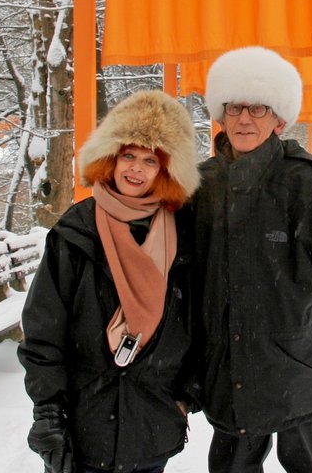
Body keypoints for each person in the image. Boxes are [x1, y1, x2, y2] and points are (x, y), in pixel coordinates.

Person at [193, 46, 312, 473]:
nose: (244, 118)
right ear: (220, 115)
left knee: (309, 467)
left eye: (258, 109)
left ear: (279, 120)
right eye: (235, 107)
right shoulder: (199, 185)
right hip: (231, 365)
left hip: (301, 364)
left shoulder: (309, 181)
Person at [19, 90, 202, 473]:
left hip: (153, 423)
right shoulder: (76, 230)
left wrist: (185, 396)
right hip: (85, 425)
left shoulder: (185, 235)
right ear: (111, 157)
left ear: (167, 169)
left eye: (150, 160)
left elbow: (202, 323)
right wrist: (48, 414)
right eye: (128, 155)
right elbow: (44, 330)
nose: (135, 169)